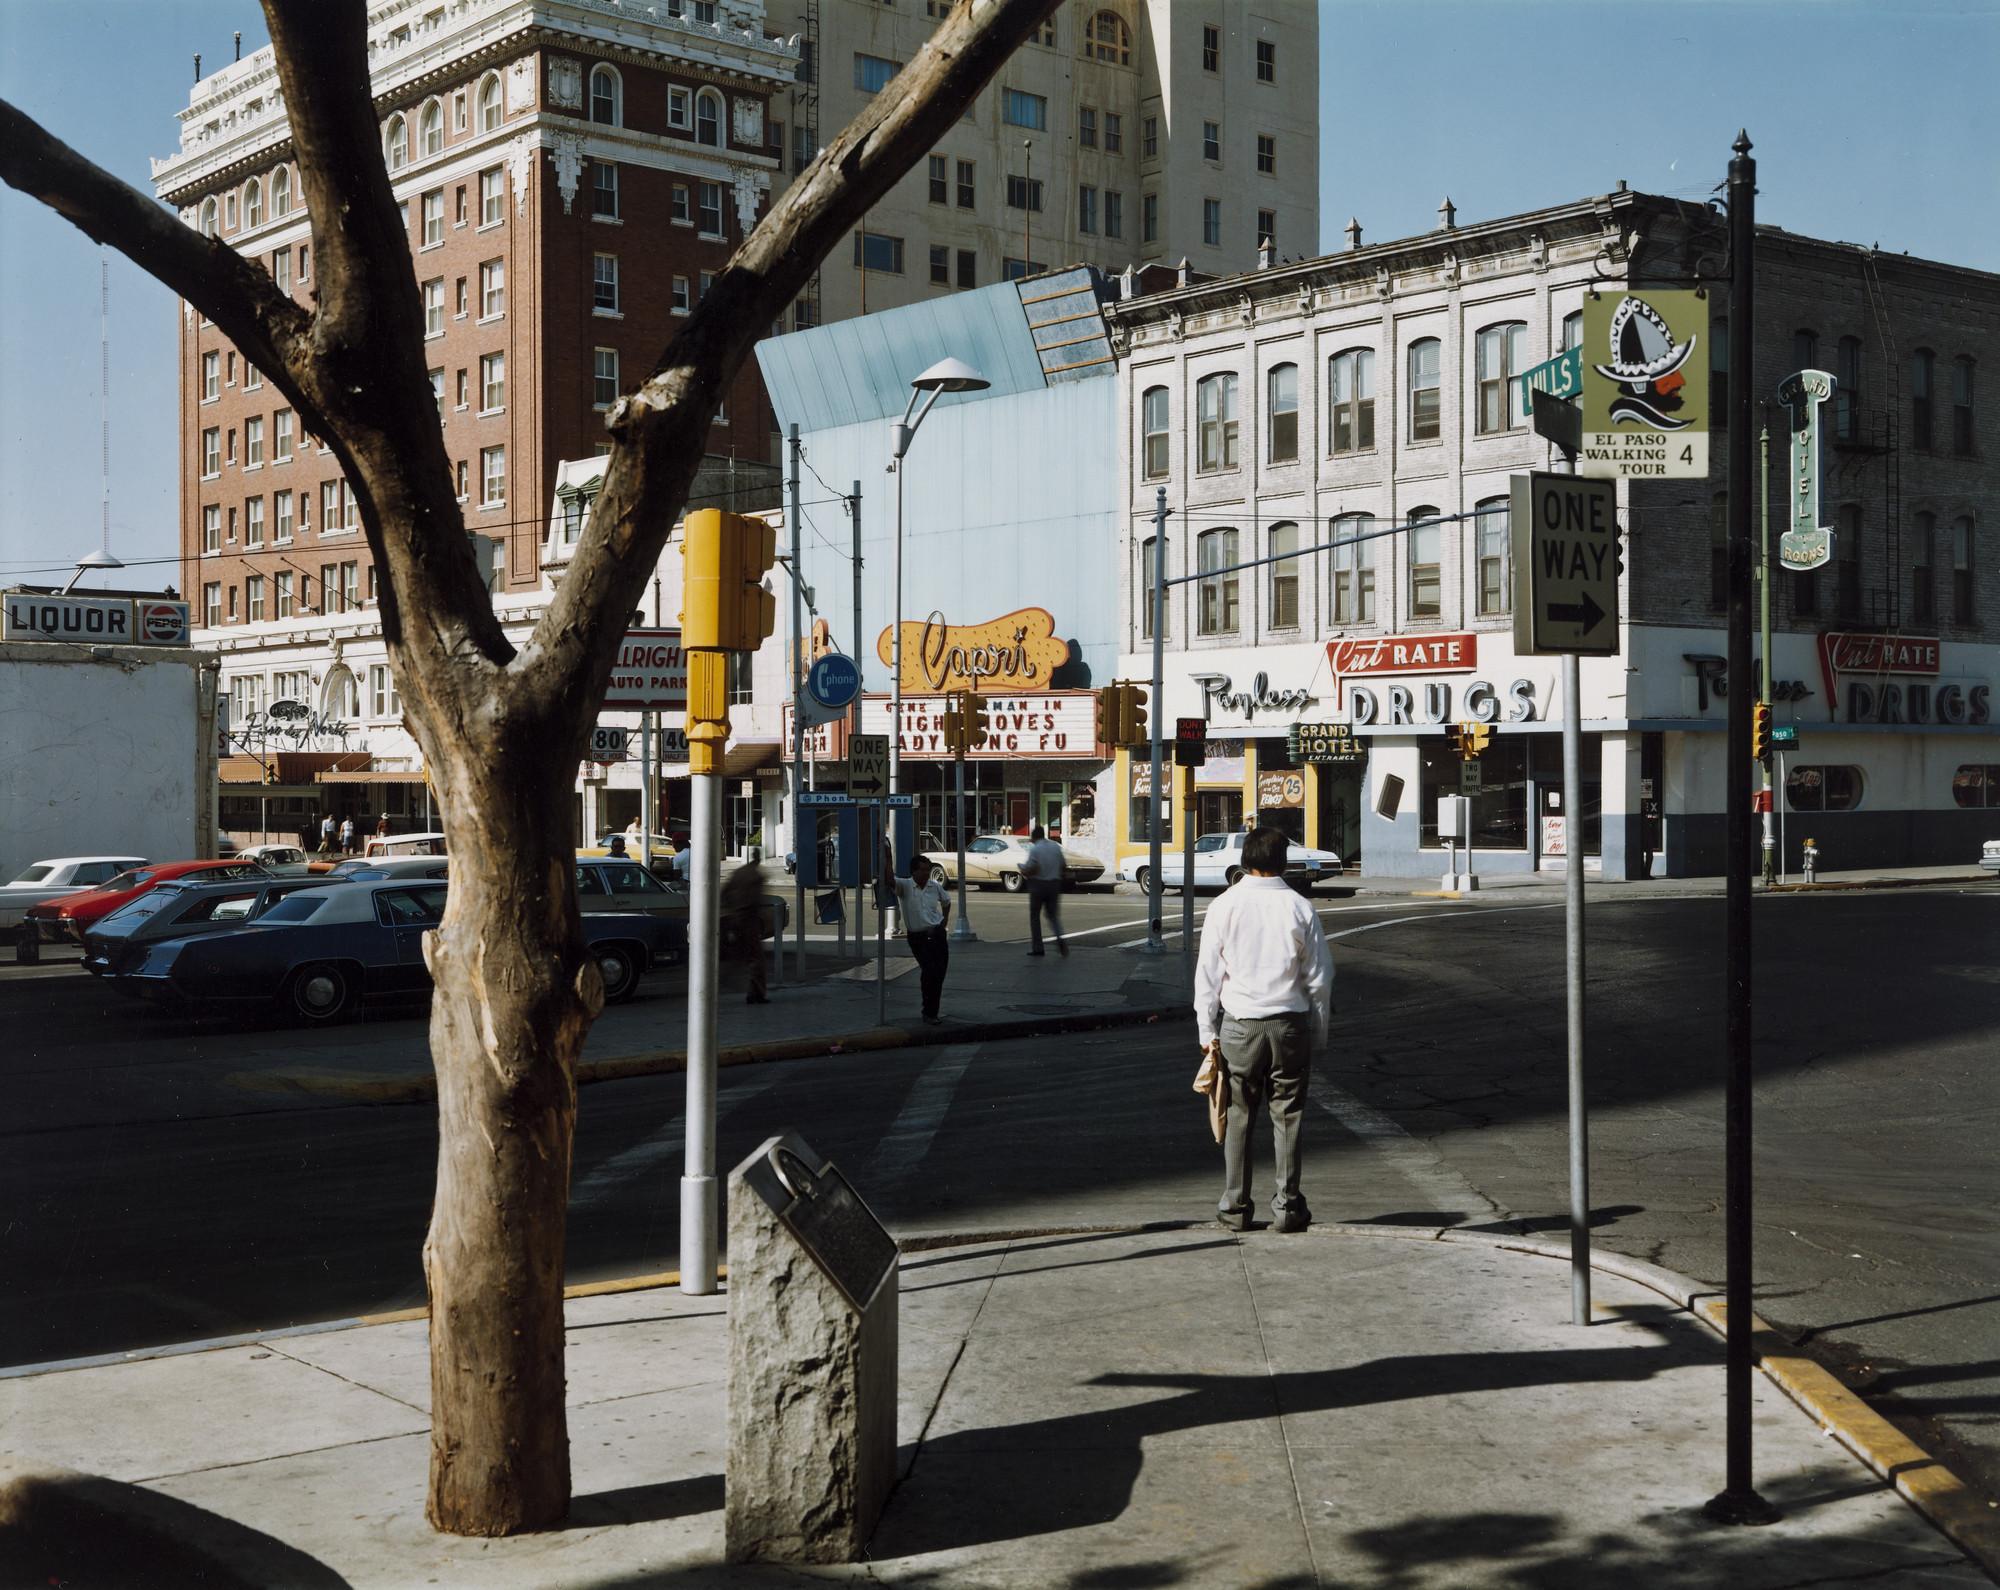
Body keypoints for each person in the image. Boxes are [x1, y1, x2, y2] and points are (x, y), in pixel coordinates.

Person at [1193, 826, 1334, 1235]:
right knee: (1288, 1115)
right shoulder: (1300, 908)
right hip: (1289, 1024)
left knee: (1238, 1116)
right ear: (1283, 863)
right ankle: (1288, 1208)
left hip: (1240, 1026)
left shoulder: (1224, 905)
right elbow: (1320, 977)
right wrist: (1319, 1030)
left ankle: (1236, 1208)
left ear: (1245, 860)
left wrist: (1207, 1029)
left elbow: (1208, 974)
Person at [885, 836, 951, 1026]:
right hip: (919, 937)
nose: (925, 874)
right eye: (922, 870)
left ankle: (932, 1012)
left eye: (928, 870)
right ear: (913, 871)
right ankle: (927, 1011)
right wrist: (888, 858)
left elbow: (946, 902)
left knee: (939, 973)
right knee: (929, 971)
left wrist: (944, 921)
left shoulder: (934, 887)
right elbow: (889, 880)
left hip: (937, 934)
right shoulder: (905, 886)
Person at [719, 851, 770, 1005]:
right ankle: (756, 993)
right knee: (756, 958)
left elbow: (724, 892)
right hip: (749, 920)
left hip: (735, 918)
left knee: (740, 955)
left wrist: (731, 909)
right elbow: (757, 900)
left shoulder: (739, 872)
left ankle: (727, 980)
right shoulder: (757, 876)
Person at [1019, 824, 1069, 958]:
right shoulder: (1055, 847)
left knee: (1035, 916)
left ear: (1034, 837)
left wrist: (1023, 869)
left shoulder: (1035, 850)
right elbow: (1063, 865)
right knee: (1053, 916)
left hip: (1038, 885)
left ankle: (1038, 948)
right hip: (1054, 884)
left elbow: (1030, 867)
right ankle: (1060, 939)